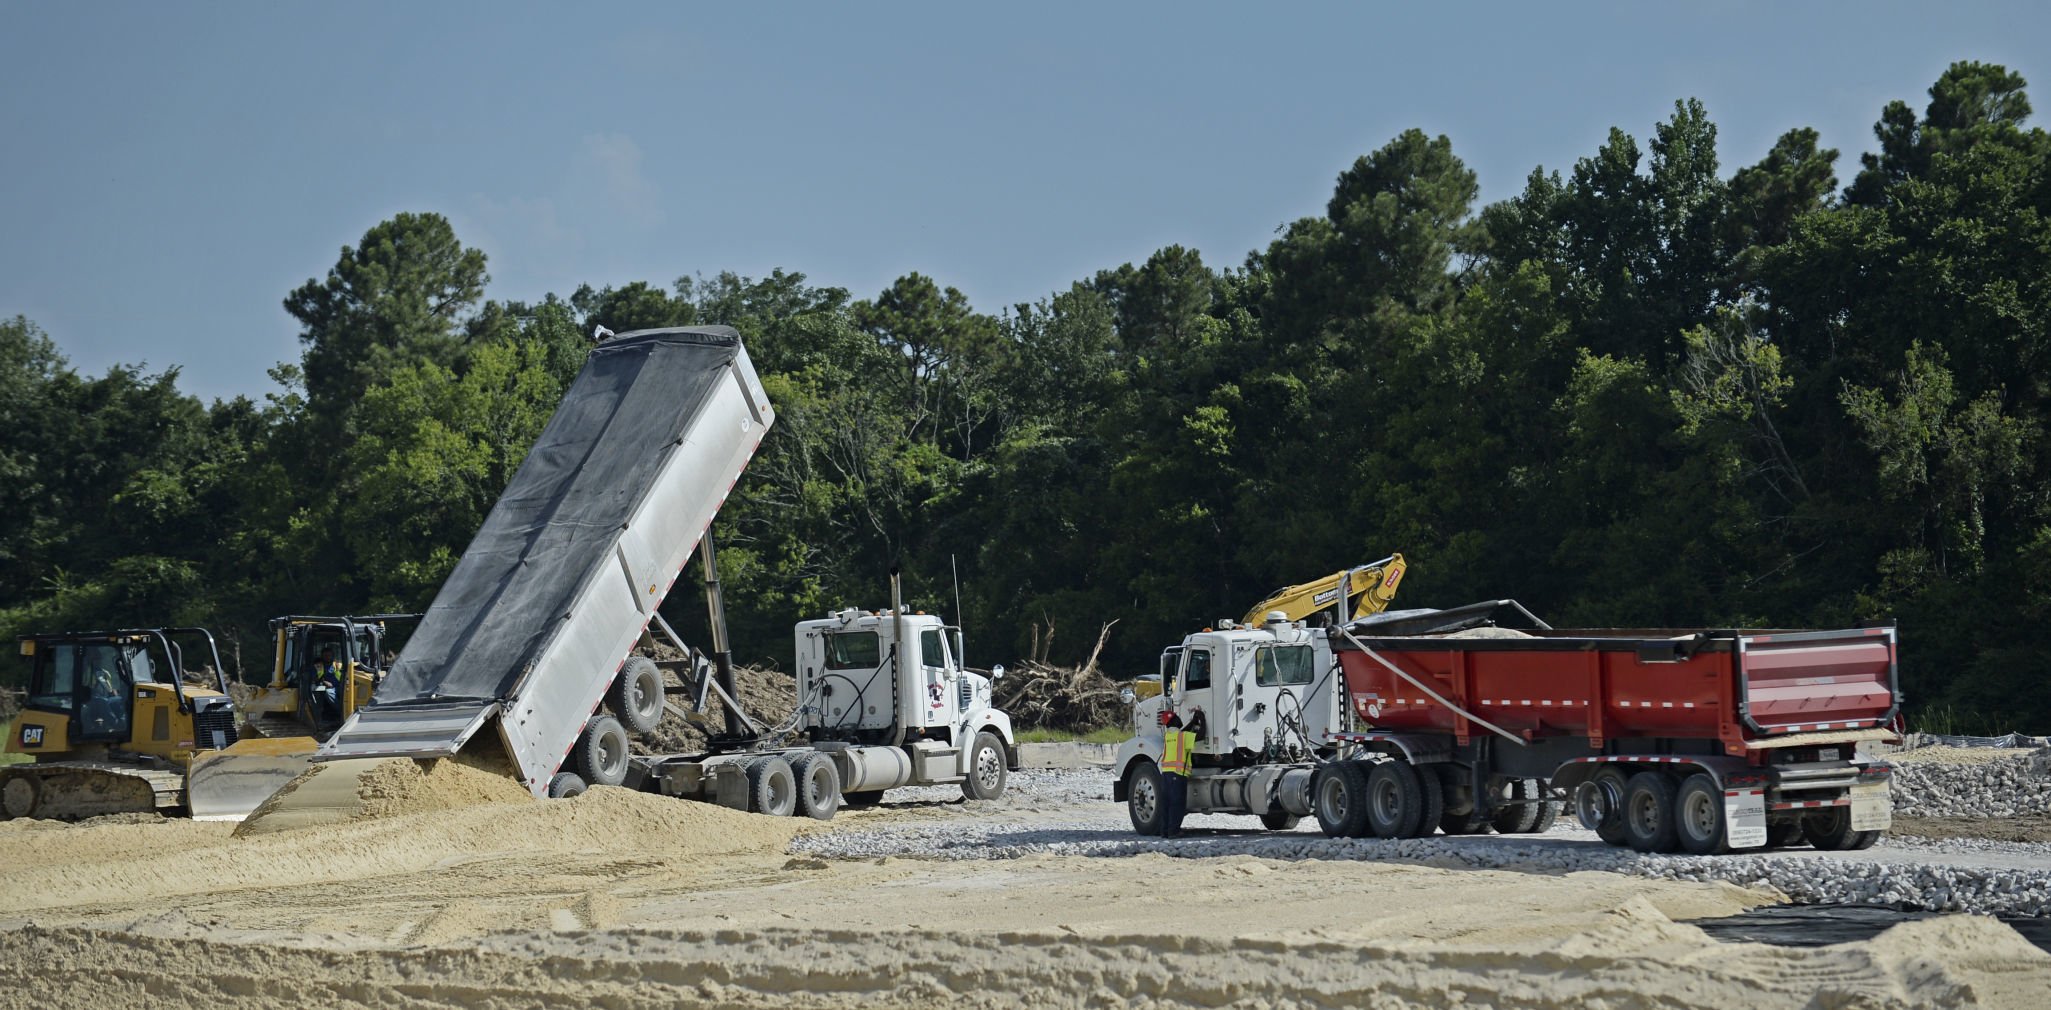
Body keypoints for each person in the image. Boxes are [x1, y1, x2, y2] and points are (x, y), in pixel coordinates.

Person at [1157, 706, 1206, 837]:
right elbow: (1200, 735)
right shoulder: (1182, 737)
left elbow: (1184, 731)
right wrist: (1202, 718)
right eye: (1176, 717)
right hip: (1178, 775)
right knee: (1177, 803)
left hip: (1166, 773)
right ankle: (1174, 831)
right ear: (1174, 720)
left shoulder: (1169, 736)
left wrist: (1193, 722)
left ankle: (1165, 831)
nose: (1179, 719)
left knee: (1166, 803)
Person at [312, 646, 345, 723]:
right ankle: (341, 711)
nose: (327, 657)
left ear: (332, 656)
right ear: (322, 656)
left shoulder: (338, 665)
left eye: (329, 655)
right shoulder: (318, 666)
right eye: (325, 656)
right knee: (328, 692)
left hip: (341, 686)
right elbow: (314, 678)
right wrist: (324, 682)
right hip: (328, 688)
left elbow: (346, 674)